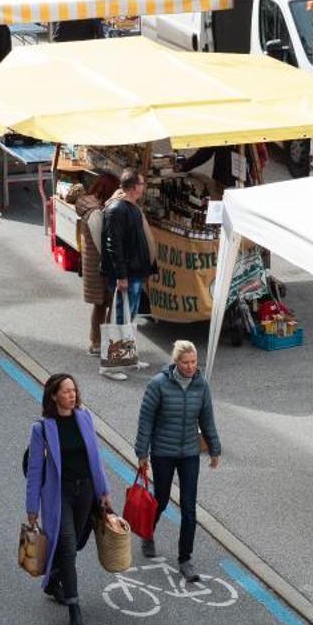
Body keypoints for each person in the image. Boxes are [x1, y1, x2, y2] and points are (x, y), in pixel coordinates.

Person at [24, 372, 113, 625]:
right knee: (67, 546)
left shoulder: (84, 417)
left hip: (85, 491)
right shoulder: (42, 428)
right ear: (54, 395)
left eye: (74, 390)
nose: (72, 395)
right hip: (58, 495)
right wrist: (32, 507)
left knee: (76, 543)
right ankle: (74, 608)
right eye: (66, 391)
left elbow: (95, 457)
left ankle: (52, 580)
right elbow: (34, 470)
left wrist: (103, 490)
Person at [135, 337, 223, 581]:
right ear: (175, 362)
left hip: (189, 454)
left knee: (189, 507)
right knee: (160, 499)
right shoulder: (158, 385)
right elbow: (146, 421)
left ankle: (185, 559)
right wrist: (142, 453)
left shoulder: (201, 386)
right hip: (163, 452)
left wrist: (215, 449)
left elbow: (207, 419)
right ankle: (147, 534)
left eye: (193, 362)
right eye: (185, 362)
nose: (190, 367)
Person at [102, 167, 155, 355]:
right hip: (128, 275)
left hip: (135, 273)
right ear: (133, 188)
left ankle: (127, 356)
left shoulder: (130, 207)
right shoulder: (118, 209)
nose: (143, 187)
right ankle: (112, 364)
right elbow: (114, 246)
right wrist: (121, 276)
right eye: (141, 183)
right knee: (120, 318)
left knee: (129, 317)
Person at [75, 173, 119, 357]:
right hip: (101, 265)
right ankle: (103, 344)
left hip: (91, 263)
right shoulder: (96, 213)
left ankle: (95, 342)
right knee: (109, 304)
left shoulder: (87, 204)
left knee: (100, 305)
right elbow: (104, 243)